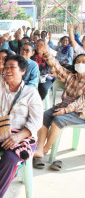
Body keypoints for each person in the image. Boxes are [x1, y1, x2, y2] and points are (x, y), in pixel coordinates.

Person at [0, 34, 43, 198]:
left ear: (23, 71)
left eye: (13, 67)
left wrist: (19, 136)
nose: (7, 70)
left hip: (21, 135)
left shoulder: (31, 93)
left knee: (10, 159)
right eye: (6, 67)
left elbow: (36, 122)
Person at [33, 40, 85, 171]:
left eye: (84, 62)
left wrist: (65, 110)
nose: (80, 64)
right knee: (44, 116)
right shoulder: (71, 77)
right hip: (64, 106)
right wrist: (46, 52)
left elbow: (81, 101)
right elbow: (57, 68)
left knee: (57, 121)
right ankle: (39, 148)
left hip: (80, 111)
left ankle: (44, 151)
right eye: (78, 61)